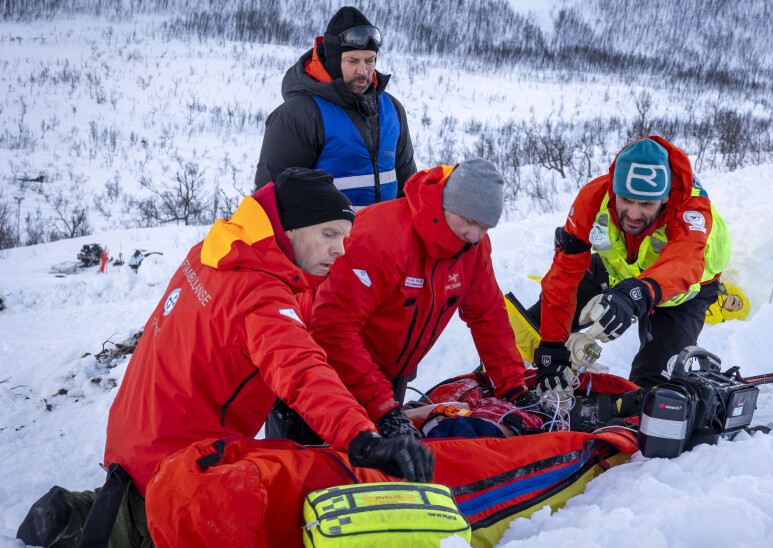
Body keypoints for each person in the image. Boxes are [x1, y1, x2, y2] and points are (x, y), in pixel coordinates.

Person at [17, 168, 433, 548]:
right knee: (279, 491)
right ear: (290, 227)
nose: (341, 250)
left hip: (134, 435)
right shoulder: (258, 293)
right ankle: (108, 524)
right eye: (328, 234)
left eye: (344, 237)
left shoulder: (216, 251)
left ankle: (84, 511)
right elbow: (302, 369)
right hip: (176, 464)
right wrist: (362, 438)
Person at [274, 159, 543, 443]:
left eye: (485, 227)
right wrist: (381, 407)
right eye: (468, 221)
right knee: (313, 467)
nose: (474, 236)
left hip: (385, 376)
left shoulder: (473, 248)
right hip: (318, 373)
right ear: (445, 204)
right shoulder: (379, 237)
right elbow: (333, 328)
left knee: (382, 473)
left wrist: (512, 386)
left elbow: (488, 316)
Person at [530, 137, 731, 389]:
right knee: (535, 328)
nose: (634, 215)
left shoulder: (692, 210)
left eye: (646, 204)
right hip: (619, 269)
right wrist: (551, 348)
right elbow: (564, 274)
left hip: (682, 293)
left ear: (666, 197)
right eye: (625, 200)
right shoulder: (595, 195)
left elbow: (683, 262)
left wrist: (632, 296)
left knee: (653, 389)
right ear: (613, 189)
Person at [254, 6, 417, 206]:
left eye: (370, 60)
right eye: (352, 61)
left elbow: (408, 191)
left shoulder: (392, 110)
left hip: (385, 237)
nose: (363, 71)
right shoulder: (299, 115)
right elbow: (272, 202)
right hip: (330, 237)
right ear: (332, 62)